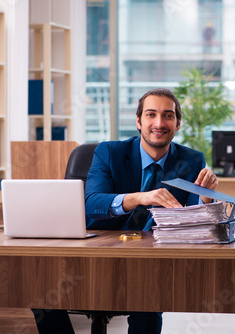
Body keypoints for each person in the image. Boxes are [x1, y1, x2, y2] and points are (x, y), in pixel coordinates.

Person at [33, 88, 218, 334]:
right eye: (151, 114)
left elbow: (194, 222)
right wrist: (139, 198)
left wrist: (207, 199)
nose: (159, 123)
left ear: (178, 123)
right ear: (139, 121)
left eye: (168, 116)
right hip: (97, 255)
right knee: (38, 287)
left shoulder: (191, 160)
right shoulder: (110, 152)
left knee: (149, 295)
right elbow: (91, 203)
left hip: (152, 261)